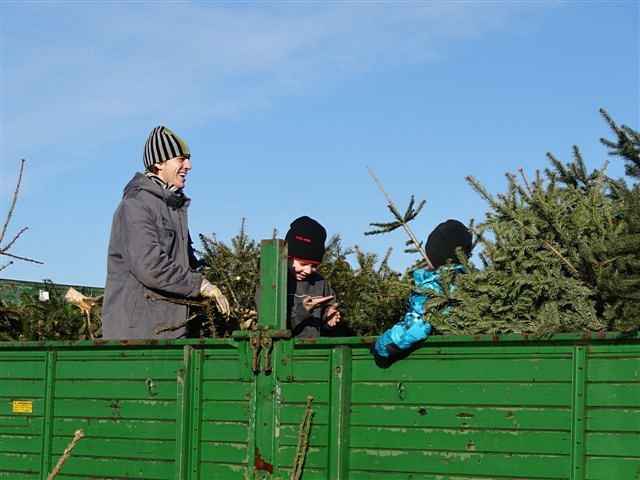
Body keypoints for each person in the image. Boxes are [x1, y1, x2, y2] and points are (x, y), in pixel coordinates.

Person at [102, 126, 229, 340]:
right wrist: (199, 284)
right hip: (138, 334)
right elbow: (150, 265)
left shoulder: (172, 207)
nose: (188, 166)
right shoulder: (136, 205)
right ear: (159, 163)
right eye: (181, 159)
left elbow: (184, 264)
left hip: (168, 330)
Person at [373, 219, 472, 360]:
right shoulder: (470, 282)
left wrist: (382, 346)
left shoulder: (433, 286)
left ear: (437, 253)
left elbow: (417, 325)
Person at [283, 216, 341, 338]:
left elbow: (328, 313)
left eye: (314, 265)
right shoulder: (275, 282)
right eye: (303, 264)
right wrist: (303, 310)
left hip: (313, 353)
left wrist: (328, 319)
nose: (308, 270)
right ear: (288, 258)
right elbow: (274, 327)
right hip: (284, 352)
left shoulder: (320, 283)